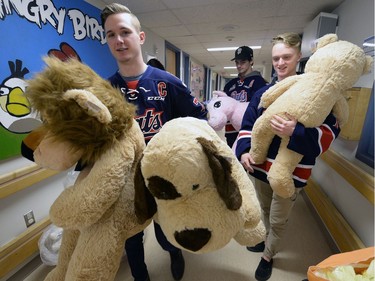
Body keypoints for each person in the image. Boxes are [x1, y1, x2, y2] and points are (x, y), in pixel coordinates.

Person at [100, 3, 207, 281]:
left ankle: (174, 252)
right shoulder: (104, 91)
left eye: (125, 32)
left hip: (163, 177)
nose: (118, 40)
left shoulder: (168, 83)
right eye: (111, 34)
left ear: (140, 37)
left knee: (164, 234)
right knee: (132, 240)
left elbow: (199, 120)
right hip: (124, 181)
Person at [235, 33, 341, 281]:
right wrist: (243, 152)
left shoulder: (318, 93)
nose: (280, 63)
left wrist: (297, 132)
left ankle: (268, 256)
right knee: (264, 209)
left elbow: (331, 132)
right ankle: (265, 241)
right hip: (260, 167)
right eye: (276, 58)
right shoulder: (264, 92)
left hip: (291, 173)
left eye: (286, 57)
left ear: (298, 57)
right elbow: (248, 125)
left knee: (278, 219)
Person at [222, 46, 267, 147]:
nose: (239, 65)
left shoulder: (259, 83)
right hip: (230, 132)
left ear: (251, 61)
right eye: (237, 62)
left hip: (249, 133)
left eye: (242, 62)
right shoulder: (230, 85)